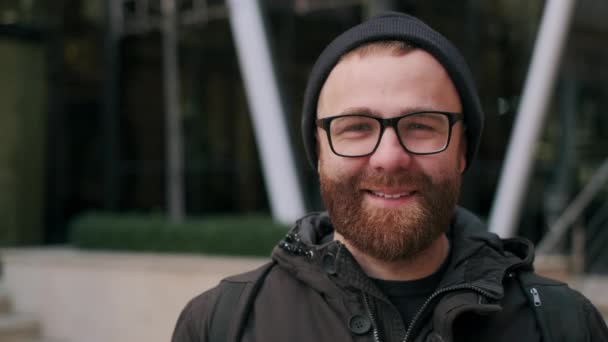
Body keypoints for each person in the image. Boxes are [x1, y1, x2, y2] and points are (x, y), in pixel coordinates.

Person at [172, 12, 608, 342]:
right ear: (320, 150)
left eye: (421, 124)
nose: (389, 157)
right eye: (356, 127)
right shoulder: (222, 325)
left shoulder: (564, 324)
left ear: (461, 149)